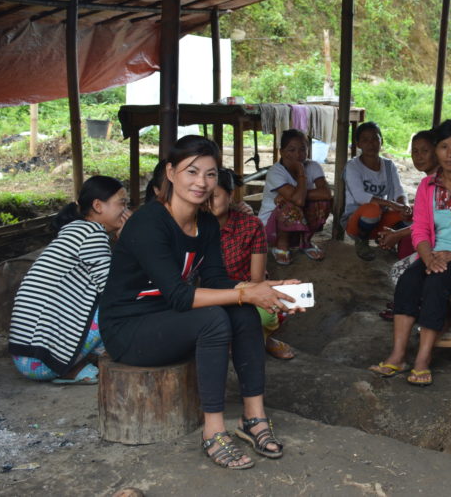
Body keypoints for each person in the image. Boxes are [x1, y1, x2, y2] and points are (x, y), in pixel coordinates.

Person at [100, 135, 305, 470]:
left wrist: (266, 288)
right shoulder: (148, 223)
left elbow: (216, 282)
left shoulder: (206, 224)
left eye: (210, 174)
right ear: (170, 172)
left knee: (242, 313)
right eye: (191, 172)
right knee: (214, 319)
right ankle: (213, 430)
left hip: (169, 321)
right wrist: (247, 291)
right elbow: (180, 295)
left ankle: (253, 418)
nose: (202, 182)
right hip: (130, 330)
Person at [369, 120, 451, 386]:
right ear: (436, 150)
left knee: (436, 282)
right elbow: (419, 230)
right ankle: (397, 355)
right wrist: (428, 255)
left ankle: (422, 358)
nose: (450, 154)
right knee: (408, 280)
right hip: (436, 256)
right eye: (443, 147)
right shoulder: (427, 187)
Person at [9, 176, 129, 384]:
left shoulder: (77, 231)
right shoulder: (91, 234)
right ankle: (70, 367)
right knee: (124, 303)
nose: (127, 210)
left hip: (26, 355)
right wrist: (129, 239)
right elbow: (115, 289)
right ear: (98, 206)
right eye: (122, 203)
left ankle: (77, 363)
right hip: (41, 360)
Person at [214, 169, 294, 360]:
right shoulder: (193, 226)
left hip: (246, 292)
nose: (208, 202)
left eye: (215, 196)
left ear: (230, 194)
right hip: (206, 297)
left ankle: (262, 339)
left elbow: (257, 279)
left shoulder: (250, 226)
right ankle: (250, 340)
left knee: (270, 311)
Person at [257, 129, 331, 264]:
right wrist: (301, 172)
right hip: (271, 228)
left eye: (303, 149)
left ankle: (305, 242)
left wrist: (292, 195)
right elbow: (298, 200)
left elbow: (326, 193)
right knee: (290, 205)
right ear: (282, 152)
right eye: (291, 150)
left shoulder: (313, 166)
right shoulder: (275, 172)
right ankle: (281, 246)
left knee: (323, 202)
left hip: (297, 224)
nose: (298, 154)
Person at [342, 122, 408, 261]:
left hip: (380, 220)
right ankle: (362, 241)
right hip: (356, 222)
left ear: (381, 141)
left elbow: (398, 190)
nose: (370, 143)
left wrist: (403, 205)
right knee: (372, 209)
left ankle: (387, 239)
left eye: (374, 139)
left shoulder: (389, 166)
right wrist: (392, 204)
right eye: (365, 140)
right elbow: (360, 196)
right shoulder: (353, 167)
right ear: (358, 144)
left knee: (410, 213)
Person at [376, 130, 439, 260]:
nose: (419, 156)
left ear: (437, 152)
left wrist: (396, 235)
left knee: (408, 240)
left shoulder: (441, 181)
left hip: (445, 243)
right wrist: (411, 208)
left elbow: (434, 219)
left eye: (424, 151)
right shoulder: (428, 182)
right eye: (415, 151)